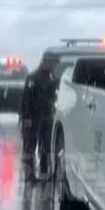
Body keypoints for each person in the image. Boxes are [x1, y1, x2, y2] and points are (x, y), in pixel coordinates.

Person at [19, 52, 60, 181]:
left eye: (55, 63)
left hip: (47, 115)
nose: (54, 66)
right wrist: (26, 117)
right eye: (53, 63)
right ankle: (29, 175)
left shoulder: (51, 77)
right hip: (33, 116)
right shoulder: (33, 77)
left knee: (46, 145)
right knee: (30, 147)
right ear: (45, 61)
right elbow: (26, 98)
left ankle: (44, 171)